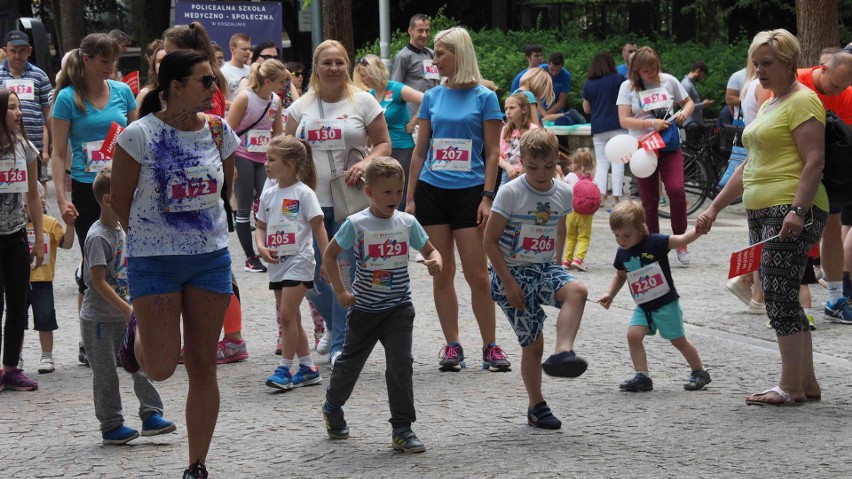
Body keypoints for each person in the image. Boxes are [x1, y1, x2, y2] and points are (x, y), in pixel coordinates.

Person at [111, 49, 239, 478]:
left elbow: (226, 188)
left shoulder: (220, 132)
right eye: (205, 81)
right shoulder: (138, 135)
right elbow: (119, 200)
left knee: (203, 363)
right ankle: (139, 331)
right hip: (155, 263)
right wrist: (148, 242)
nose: (213, 89)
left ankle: (196, 464)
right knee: (162, 368)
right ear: (174, 88)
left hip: (210, 261)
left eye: (215, 80)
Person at [697, 29, 828, 406]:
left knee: (777, 294)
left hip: (789, 208)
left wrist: (797, 211)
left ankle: (790, 385)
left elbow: (814, 160)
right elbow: (749, 166)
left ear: (789, 63)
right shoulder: (772, 104)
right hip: (763, 210)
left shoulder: (803, 101)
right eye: (756, 63)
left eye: (767, 63)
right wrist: (715, 207)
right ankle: (806, 383)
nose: (759, 70)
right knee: (781, 291)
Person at [406, 27, 510, 373]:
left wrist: (488, 196)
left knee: (478, 274)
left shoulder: (485, 97)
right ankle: (452, 346)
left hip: (471, 193)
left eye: (440, 54)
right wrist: (410, 199)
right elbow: (420, 152)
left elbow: (494, 153)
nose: (434, 60)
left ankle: (490, 346)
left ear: (459, 54)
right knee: (442, 271)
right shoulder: (432, 97)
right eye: (434, 53)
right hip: (432, 191)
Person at [321, 156, 442, 452]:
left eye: (398, 192)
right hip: (364, 310)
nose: (394, 198)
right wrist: (340, 291)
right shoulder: (356, 223)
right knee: (350, 366)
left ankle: (402, 427)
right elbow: (329, 255)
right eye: (387, 192)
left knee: (401, 365)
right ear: (370, 192)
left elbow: (432, 249)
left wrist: (434, 261)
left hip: (399, 308)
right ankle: (333, 405)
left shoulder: (407, 222)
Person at [285, 39, 391, 365]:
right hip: (311, 201)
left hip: (351, 199)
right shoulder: (299, 107)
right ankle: (334, 326)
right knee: (311, 276)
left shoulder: (363, 102)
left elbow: (384, 144)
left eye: (339, 62)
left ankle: (340, 347)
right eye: (327, 62)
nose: (333, 68)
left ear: (348, 65)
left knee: (345, 275)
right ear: (316, 66)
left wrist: (365, 163)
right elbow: (286, 153)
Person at [484, 128, 589, 430]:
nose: (540, 174)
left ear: (558, 159)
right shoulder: (511, 192)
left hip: (543, 268)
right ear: (523, 161)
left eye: (547, 166)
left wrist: (558, 265)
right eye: (532, 167)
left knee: (577, 290)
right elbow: (489, 242)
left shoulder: (563, 191)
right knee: (533, 345)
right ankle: (536, 406)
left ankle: (563, 352)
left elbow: (559, 227)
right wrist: (509, 284)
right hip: (511, 273)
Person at [81, 168, 177, 445]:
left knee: (140, 364)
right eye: (129, 194)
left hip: (129, 313)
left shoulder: (124, 228)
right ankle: (111, 425)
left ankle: (151, 415)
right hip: (99, 320)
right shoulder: (98, 237)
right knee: (106, 375)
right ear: (109, 199)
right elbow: (97, 281)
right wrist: (126, 309)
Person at [599, 200, 711, 392]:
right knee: (633, 335)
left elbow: (681, 239)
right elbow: (620, 275)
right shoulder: (622, 252)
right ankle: (642, 376)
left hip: (666, 303)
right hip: (643, 305)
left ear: (640, 229)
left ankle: (699, 371)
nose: (621, 240)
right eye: (616, 235)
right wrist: (610, 294)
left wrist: (698, 231)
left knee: (678, 340)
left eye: (626, 235)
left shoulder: (655, 242)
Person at [256, 135, 327, 390]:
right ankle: (308, 367)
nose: (265, 164)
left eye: (271, 159)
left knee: (286, 315)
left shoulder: (304, 193)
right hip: (276, 263)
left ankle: (284, 369)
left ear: (290, 164)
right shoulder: (269, 194)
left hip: (300, 260)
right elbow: (260, 226)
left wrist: (326, 259)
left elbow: (319, 228)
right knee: (292, 317)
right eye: (266, 158)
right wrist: (261, 246)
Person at [616, 46, 695, 265]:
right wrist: (651, 123)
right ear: (636, 71)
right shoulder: (627, 87)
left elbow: (688, 102)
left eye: (654, 68)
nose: (651, 73)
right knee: (649, 200)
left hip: (668, 145)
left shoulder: (668, 80)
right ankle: (652, 243)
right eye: (645, 70)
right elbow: (624, 120)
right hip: (643, 147)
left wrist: (683, 114)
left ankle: (680, 240)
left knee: (676, 190)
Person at [795, 49, 852, 323]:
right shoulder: (795, 82)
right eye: (835, 85)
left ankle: (835, 298)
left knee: (832, 227)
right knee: (798, 231)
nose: (839, 91)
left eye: (845, 85)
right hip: (795, 167)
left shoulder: (847, 93)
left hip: (830, 170)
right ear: (823, 68)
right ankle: (794, 301)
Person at [0, 88, 44, 391]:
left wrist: (39, 237)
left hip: (15, 235)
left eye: (19, 107)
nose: (18, 113)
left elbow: (33, 196)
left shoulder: (26, 149)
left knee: (19, 301)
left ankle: (10, 367)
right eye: (12, 108)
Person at [226, 59, 286, 273]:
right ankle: (250, 257)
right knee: (243, 206)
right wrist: (230, 164)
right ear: (268, 81)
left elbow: (278, 133)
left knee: (269, 201)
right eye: (281, 82)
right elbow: (228, 131)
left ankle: (269, 248)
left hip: (264, 158)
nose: (284, 86)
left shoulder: (276, 101)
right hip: (242, 154)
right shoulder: (245, 98)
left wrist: (280, 158)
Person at [354, 54, 423, 210]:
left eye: (364, 76)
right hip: (381, 152)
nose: (362, 80)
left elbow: (426, 99)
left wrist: (413, 122)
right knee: (381, 192)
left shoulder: (396, 88)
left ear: (373, 73)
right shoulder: (370, 95)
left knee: (400, 192)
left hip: (402, 148)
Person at [25, 186, 75, 374]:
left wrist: (70, 225)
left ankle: (47, 355)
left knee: (45, 320)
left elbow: (67, 244)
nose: (25, 208)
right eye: (22, 204)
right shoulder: (16, 225)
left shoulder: (50, 223)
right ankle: (16, 356)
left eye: (28, 204)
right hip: (19, 281)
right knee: (17, 321)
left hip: (43, 280)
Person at [1, 30, 53, 185]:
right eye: (13, 51)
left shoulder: (40, 76)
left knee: (37, 188)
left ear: (29, 51)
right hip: (4, 145)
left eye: (22, 51)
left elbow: (48, 111)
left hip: (34, 144)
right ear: (5, 51)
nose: (18, 56)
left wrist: (53, 142)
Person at [583, 52, 627, 204]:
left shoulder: (589, 83)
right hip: (617, 125)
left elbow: (586, 109)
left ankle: (600, 196)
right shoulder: (619, 79)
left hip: (598, 127)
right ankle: (617, 196)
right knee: (618, 161)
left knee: (602, 162)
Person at [390, 13, 439, 118]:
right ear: (410, 31)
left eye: (427, 30)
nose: (425, 35)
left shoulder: (432, 54)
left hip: (433, 114)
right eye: (420, 31)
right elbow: (395, 89)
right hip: (412, 118)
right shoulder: (403, 57)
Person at [562, 148, 598, 271]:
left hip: (571, 213)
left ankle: (566, 260)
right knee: (584, 237)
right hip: (586, 215)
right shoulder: (593, 180)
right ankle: (578, 259)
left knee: (570, 236)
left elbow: (563, 189)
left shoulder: (570, 176)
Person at [499, 92, 538, 185]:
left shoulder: (533, 129)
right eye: (506, 108)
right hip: (507, 172)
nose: (508, 112)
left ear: (524, 110)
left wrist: (523, 169)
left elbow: (536, 155)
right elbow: (498, 156)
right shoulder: (505, 130)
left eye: (512, 108)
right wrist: (508, 167)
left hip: (527, 173)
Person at [135, 39, 165, 115]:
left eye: (167, 60)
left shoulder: (185, 92)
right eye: (160, 61)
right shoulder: (145, 94)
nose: (164, 65)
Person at [220, 32, 252, 105]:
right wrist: (241, 106)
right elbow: (221, 101)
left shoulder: (251, 70)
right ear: (233, 49)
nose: (248, 52)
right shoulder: (223, 72)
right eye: (244, 49)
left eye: (249, 49)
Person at [681, 61, 713, 128]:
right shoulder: (686, 84)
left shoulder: (690, 84)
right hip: (691, 123)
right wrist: (703, 105)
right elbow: (685, 106)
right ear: (697, 71)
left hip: (695, 122)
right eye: (703, 75)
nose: (702, 78)